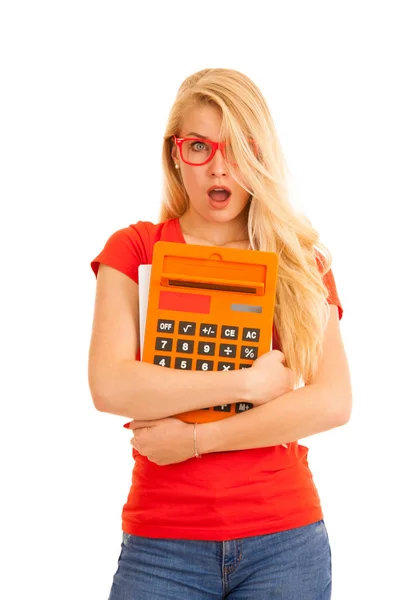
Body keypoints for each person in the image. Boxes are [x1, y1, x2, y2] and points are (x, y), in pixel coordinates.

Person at [88, 68, 352, 600]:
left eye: (238, 148)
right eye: (200, 147)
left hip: (286, 542)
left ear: (261, 154)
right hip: (161, 546)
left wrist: (194, 440)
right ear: (175, 154)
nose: (219, 168)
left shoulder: (300, 261)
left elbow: (332, 402)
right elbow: (111, 387)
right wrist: (245, 385)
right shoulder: (136, 249)